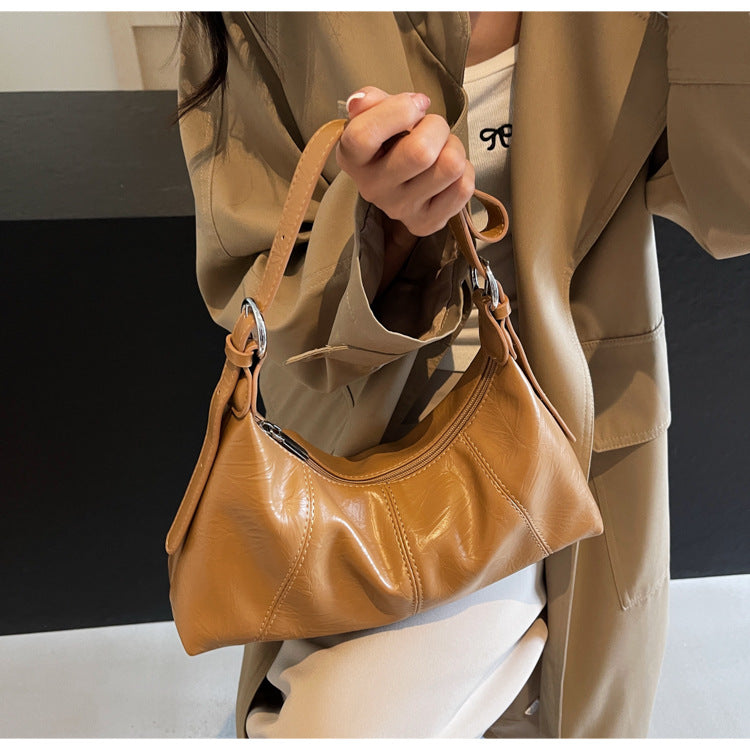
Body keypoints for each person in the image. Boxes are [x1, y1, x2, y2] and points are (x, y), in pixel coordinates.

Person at [172, 11, 750, 738]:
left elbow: (730, 200)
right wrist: (381, 231)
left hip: (584, 432)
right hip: (361, 451)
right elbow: (256, 275)